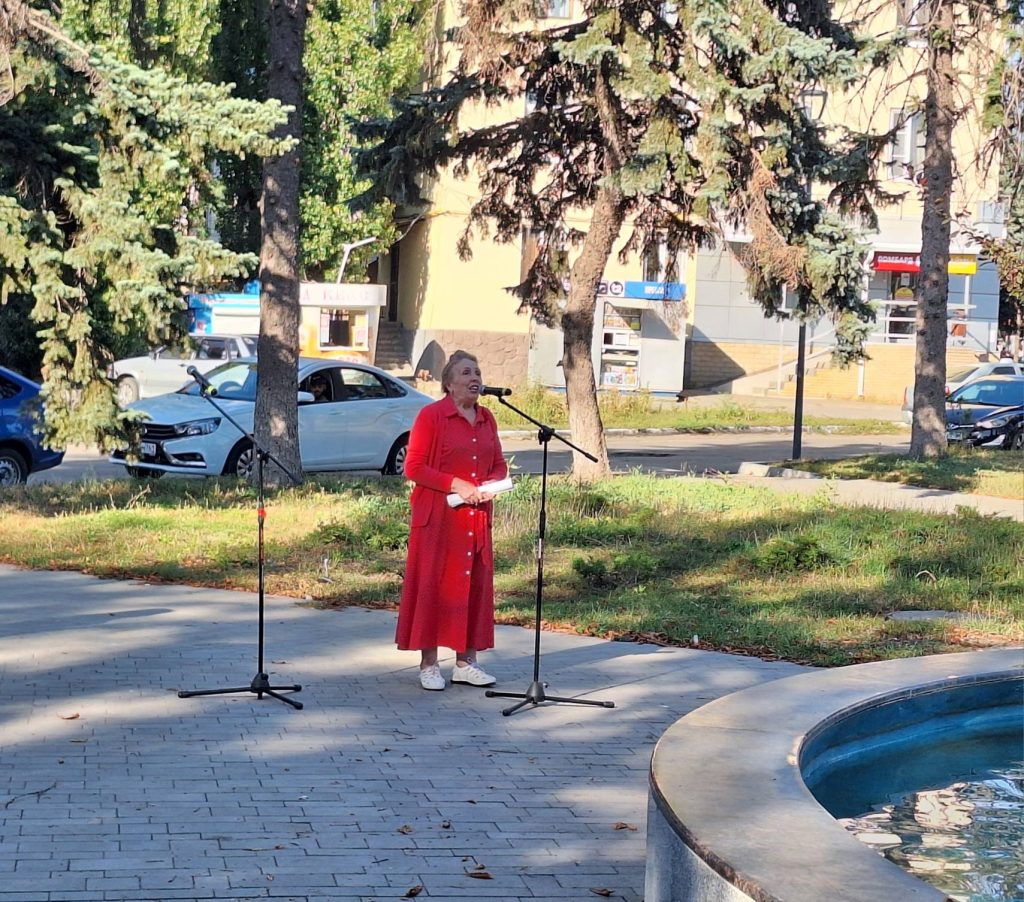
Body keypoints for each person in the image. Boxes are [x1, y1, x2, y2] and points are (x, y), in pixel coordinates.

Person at [396, 350, 508, 691]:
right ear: (449, 383)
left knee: (472, 585)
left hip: (475, 516)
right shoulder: (432, 416)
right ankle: (429, 664)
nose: (475, 378)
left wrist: (491, 486)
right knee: (434, 585)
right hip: (438, 517)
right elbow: (414, 467)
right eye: (466, 373)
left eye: (477, 373)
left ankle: (465, 663)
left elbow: (498, 464)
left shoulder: (487, 418)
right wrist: (456, 484)